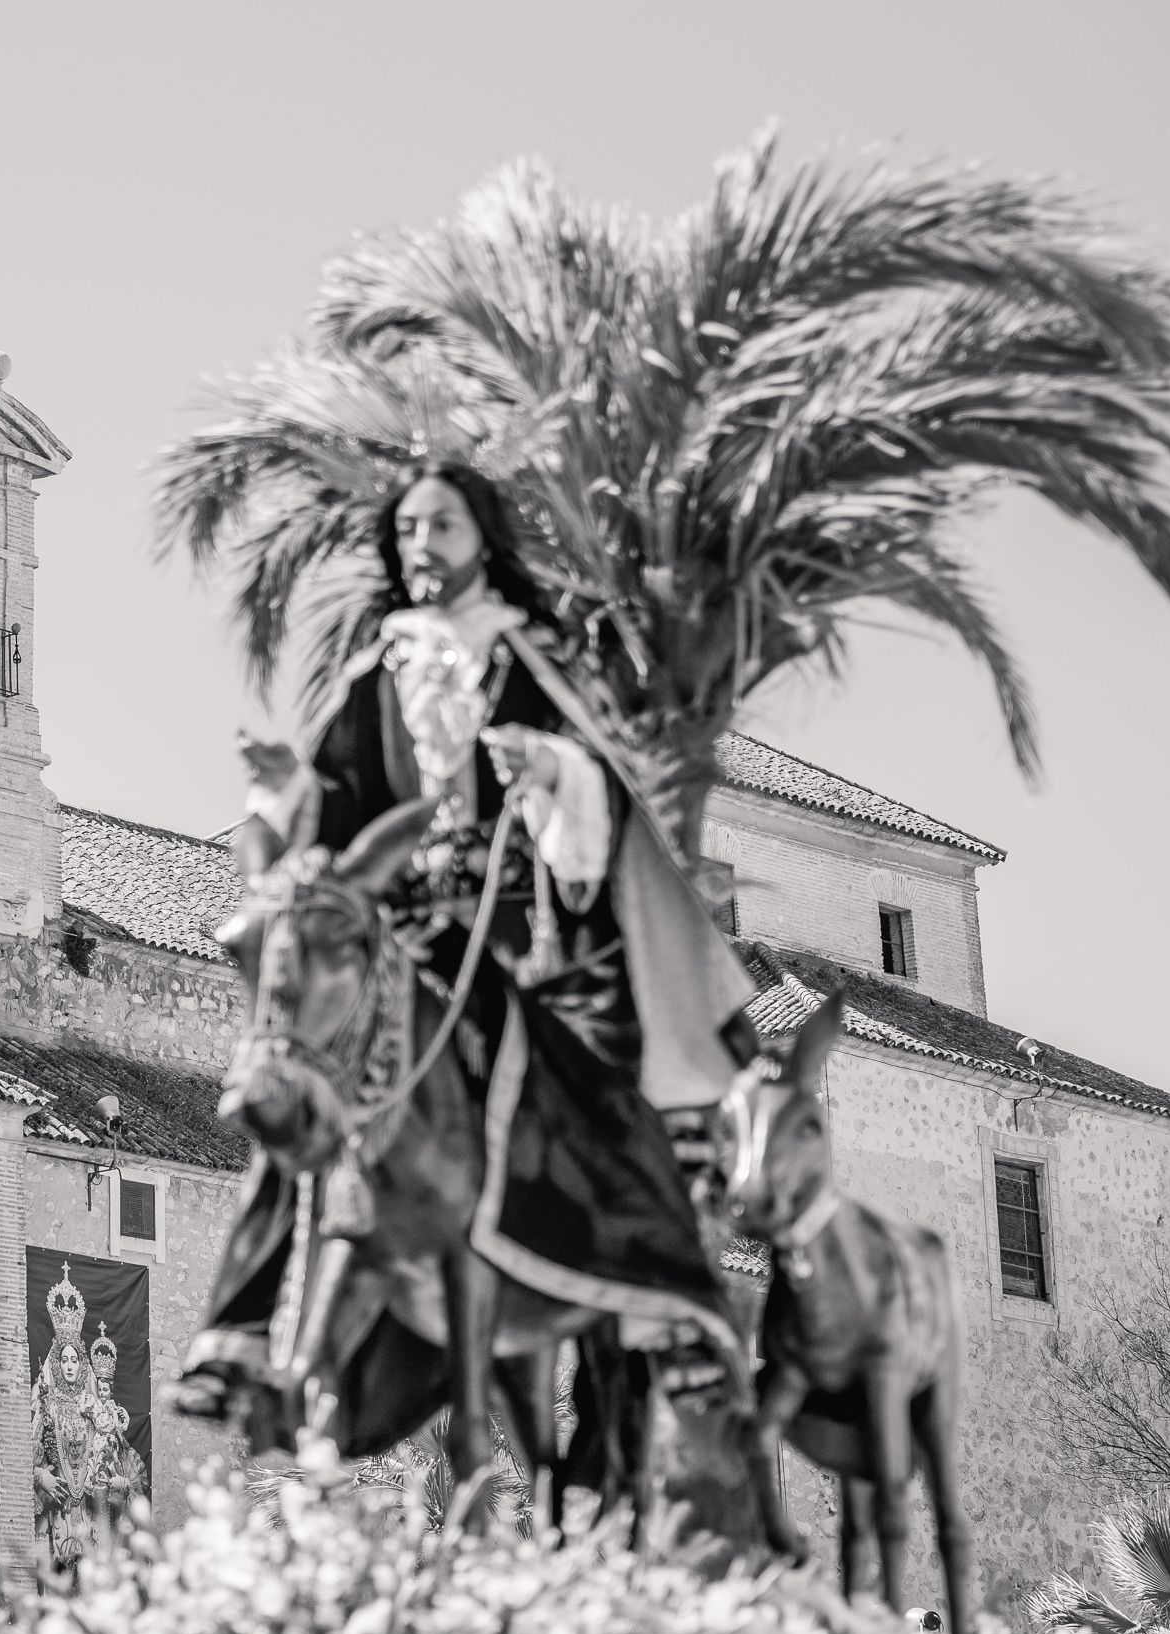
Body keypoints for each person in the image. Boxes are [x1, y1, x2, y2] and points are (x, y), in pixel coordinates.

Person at [177, 461, 756, 1455]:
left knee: (602, 1086)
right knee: (293, 1077)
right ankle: (237, 1335)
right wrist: (288, 792)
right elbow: (337, 818)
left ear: (483, 538)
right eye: (408, 529)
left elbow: (599, 786)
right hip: (405, 930)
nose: (421, 544)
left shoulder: (528, 657)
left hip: (520, 929)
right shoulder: (379, 670)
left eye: (440, 525)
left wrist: (552, 769)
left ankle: (673, 1305)